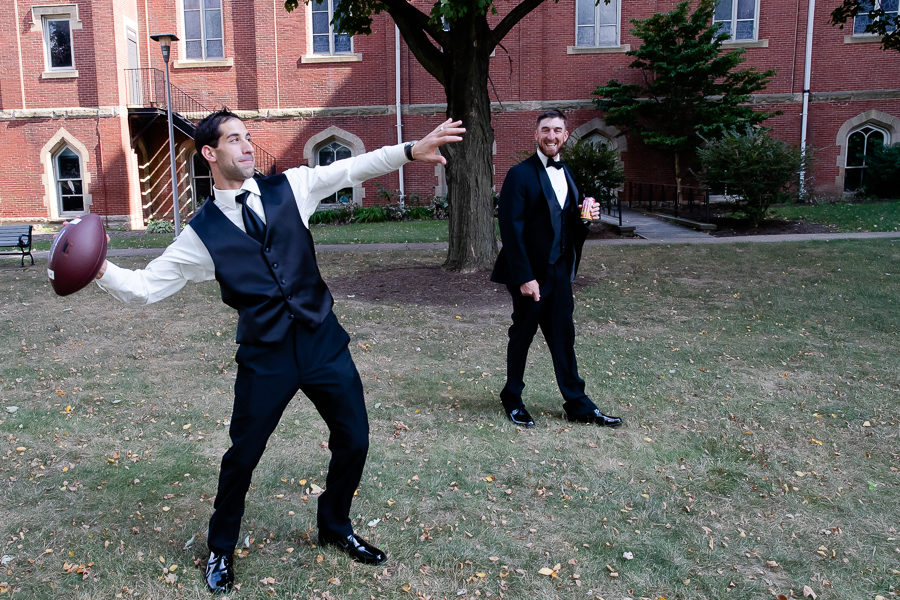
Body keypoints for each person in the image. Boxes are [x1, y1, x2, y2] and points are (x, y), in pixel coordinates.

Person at [93, 109, 464, 593]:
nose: (247, 147)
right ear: (210, 153)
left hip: (322, 342)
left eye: (248, 138)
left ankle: (334, 525)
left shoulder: (292, 186)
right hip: (266, 357)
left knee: (354, 439)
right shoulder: (199, 234)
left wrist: (411, 150)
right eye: (234, 140)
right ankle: (221, 548)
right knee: (243, 456)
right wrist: (98, 269)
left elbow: (354, 167)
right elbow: (145, 287)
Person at [490, 109, 622, 429]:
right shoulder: (519, 174)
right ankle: (513, 398)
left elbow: (567, 225)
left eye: (557, 130)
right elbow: (511, 229)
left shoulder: (569, 173)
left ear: (565, 136)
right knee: (522, 336)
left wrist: (586, 219)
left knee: (563, 337)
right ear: (536, 135)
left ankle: (578, 404)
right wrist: (524, 277)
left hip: (560, 272)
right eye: (545, 130)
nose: (551, 136)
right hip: (531, 274)